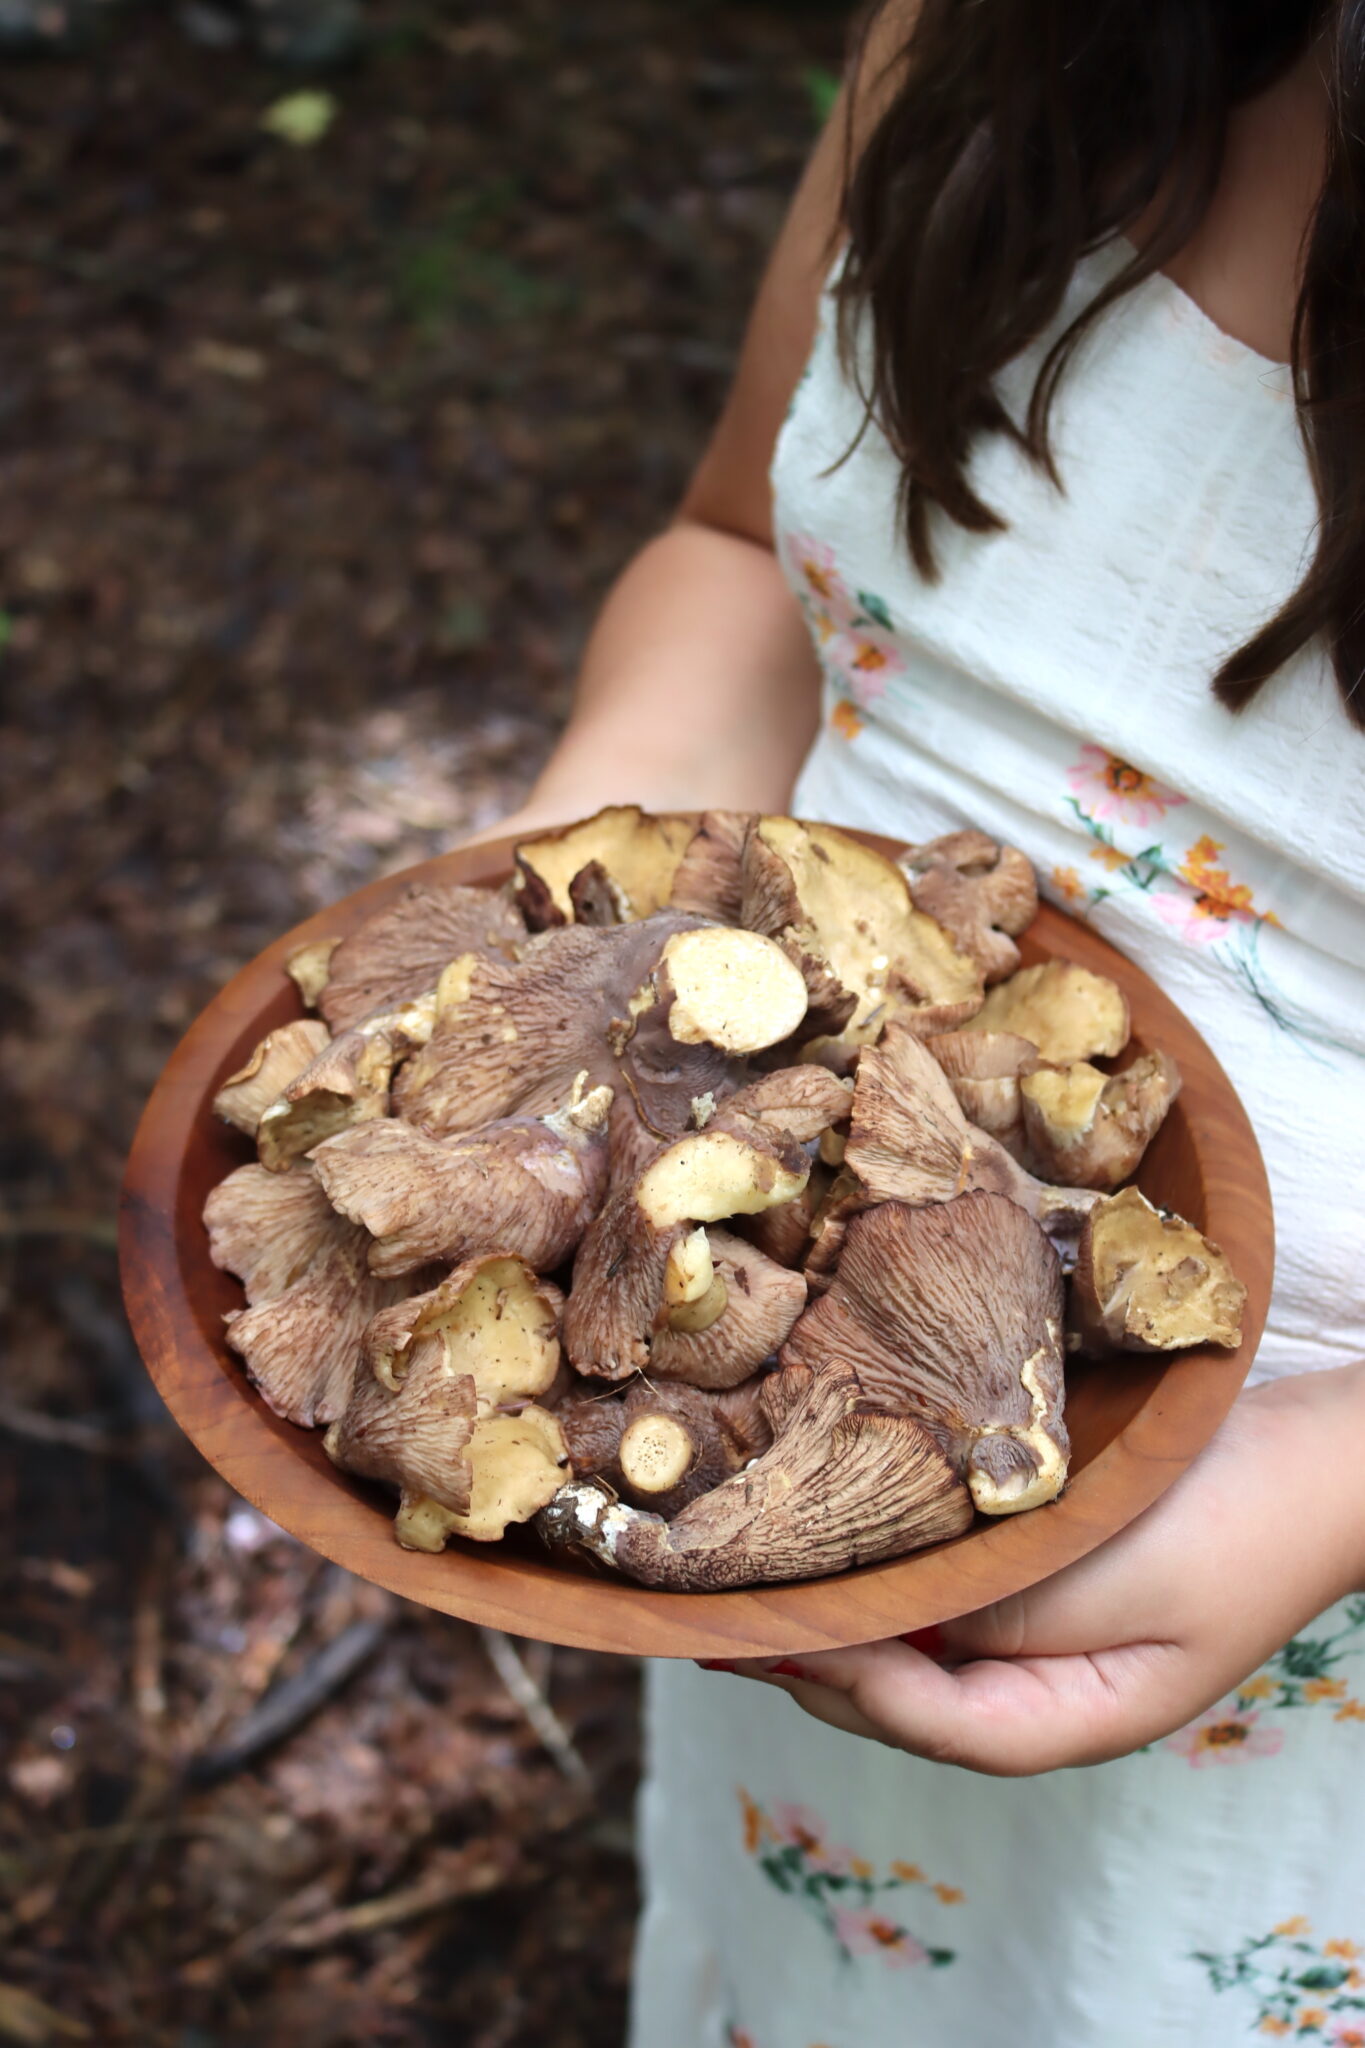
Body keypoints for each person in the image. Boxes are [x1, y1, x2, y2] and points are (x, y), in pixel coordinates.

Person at [478, 3, 1365, 2040]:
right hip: (792, 1460)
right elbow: (739, 557)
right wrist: (542, 961)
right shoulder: (994, 28)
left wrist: (1327, 1493)